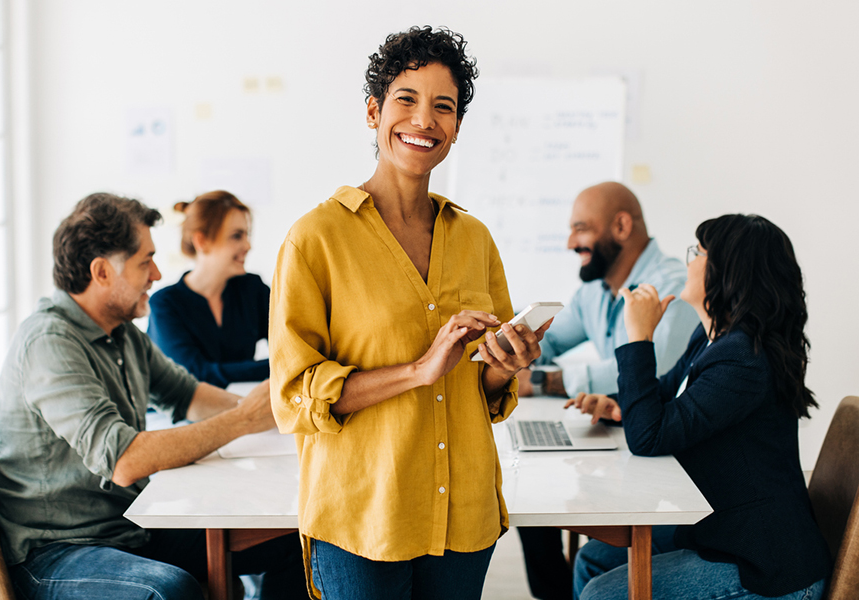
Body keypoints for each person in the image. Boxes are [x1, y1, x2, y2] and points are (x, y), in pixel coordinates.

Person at [268, 27, 548, 600]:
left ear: (456, 128)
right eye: (406, 100)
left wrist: (504, 365)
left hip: (462, 514)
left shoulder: (474, 238)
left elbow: (481, 385)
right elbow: (294, 396)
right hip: (362, 516)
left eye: (443, 107)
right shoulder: (315, 239)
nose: (424, 120)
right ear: (374, 112)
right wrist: (419, 370)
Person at [0, 193, 308, 600]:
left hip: (127, 527)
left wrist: (273, 412)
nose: (157, 273)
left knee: (295, 540)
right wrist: (244, 420)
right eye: (145, 261)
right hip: (57, 551)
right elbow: (125, 461)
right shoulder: (49, 343)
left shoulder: (120, 333)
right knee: (168, 592)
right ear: (101, 271)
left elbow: (188, 394)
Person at [568, 214, 832, 600]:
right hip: (721, 528)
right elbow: (664, 397)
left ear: (727, 270)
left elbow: (649, 437)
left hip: (765, 564)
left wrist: (638, 337)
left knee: (600, 593)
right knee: (594, 559)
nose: (688, 260)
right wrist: (617, 406)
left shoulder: (742, 359)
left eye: (698, 252)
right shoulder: (712, 337)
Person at [517, 182, 699, 600]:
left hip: (666, 462)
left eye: (580, 229)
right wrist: (515, 343)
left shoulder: (669, 286)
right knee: (530, 501)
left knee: (541, 505)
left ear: (621, 226)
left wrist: (546, 379)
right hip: (623, 438)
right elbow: (548, 344)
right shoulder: (593, 293)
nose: (569, 243)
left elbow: (647, 371)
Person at [148, 190, 270, 388]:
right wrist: (276, 367)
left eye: (246, 235)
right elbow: (195, 375)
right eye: (236, 236)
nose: (248, 245)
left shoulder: (253, 289)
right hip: (176, 417)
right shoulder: (165, 304)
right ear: (201, 241)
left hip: (238, 404)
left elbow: (294, 347)